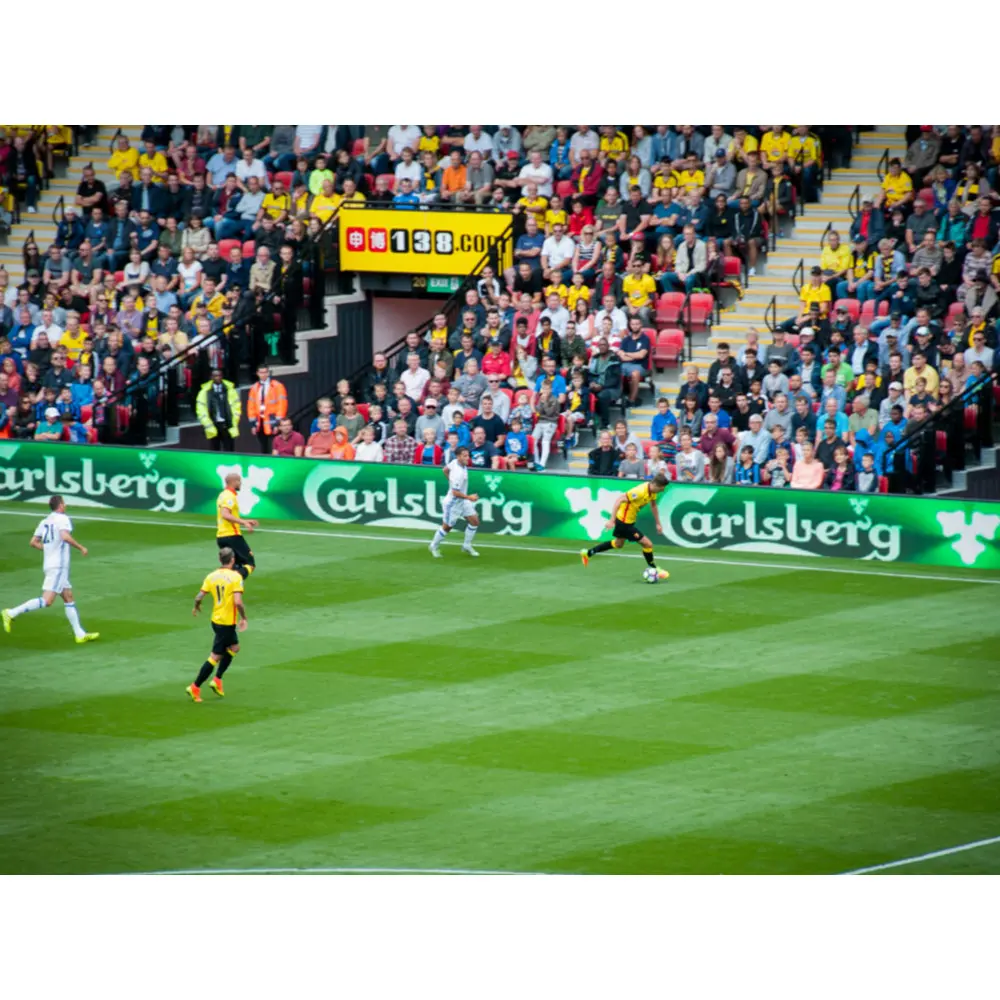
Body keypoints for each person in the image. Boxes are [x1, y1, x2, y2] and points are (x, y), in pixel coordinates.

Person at [2, 494, 99, 643]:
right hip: (58, 566)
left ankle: (79, 634)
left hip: (50, 564)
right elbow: (65, 536)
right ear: (60, 505)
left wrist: (49, 550)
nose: (65, 505)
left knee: (68, 597)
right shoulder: (63, 519)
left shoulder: (45, 521)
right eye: (64, 503)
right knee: (47, 601)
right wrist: (81, 547)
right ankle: (12, 613)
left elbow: (33, 542)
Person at [580, 473, 670, 579]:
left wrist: (658, 523)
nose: (663, 490)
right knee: (647, 544)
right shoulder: (639, 492)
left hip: (629, 521)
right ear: (656, 485)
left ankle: (588, 553)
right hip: (624, 522)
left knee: (618, 544)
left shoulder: (652, 492)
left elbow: (653, 505)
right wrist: (611, 520)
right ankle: (654, 568)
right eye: (662, 488)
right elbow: (619, 500)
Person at [187, 546, 246, 703]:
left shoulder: (211, 576)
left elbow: (199, 596)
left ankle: (217, 680)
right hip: (226, 623)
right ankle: (195, 686)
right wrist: (244, 617)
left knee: (234, 647)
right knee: (215, 656)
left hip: (216, 620)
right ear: (232, 560)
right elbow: (238, 601)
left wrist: (196, 606)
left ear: (220, 560)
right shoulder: (235, 577)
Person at [428, 447, 481, 558]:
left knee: (475, 521)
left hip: (462, 501)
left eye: (468, 455)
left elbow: (445, 470)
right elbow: (455, 492)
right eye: (464, 456)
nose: (468, 458)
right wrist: (469, 497)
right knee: (447, 527)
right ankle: (433, 545)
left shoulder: (456, 463)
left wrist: (451, 481)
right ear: (458, 456)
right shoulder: (458, 473)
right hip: (453, 503)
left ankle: (466, 545)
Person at [215, 470, 258, 581]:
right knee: (250, 563)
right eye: (239, 481)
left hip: (221, 536)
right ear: (234, 482)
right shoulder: (229, 496)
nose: (240, 484)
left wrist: (245, 520)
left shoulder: (222, 495)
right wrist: (243, 522)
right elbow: (225, 514)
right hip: (232, 536)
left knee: (235, 566)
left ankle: (232, 593)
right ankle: (227, 582)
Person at [195, 368, 241, 451]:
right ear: (211, 377)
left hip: (227, 424)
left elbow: (236, 406)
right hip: (213, 424)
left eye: (219, 375)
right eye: (215, 376)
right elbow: (201, 410)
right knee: (215, 450)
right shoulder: (204, 392)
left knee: (229, 449)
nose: (218, 378)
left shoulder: (229, 390)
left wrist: (234, 421)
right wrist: (207, 424)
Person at [247, 364, 288, 454]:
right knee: (263, 447)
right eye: (261, 372)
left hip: (273, 421)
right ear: (257, 373)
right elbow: (251, 407)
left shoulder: (277, 386)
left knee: (275, 447)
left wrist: (278, 423)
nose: (264, 374)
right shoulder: (254, 388)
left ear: (268, 373)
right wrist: (253, 424)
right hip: (259, 422)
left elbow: (282, 405)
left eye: (265, 372)